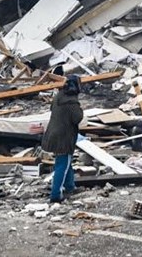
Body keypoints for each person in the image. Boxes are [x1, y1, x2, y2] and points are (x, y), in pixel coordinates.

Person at [41, 74, 83, 203]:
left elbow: (52, 108)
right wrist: (80, 108)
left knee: (66, 162)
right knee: (62, 165)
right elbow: (77, 118)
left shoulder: (58, 96)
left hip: (52, 134)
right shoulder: (72, 101)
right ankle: (56, 194)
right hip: (64, 137)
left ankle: (70, 186)